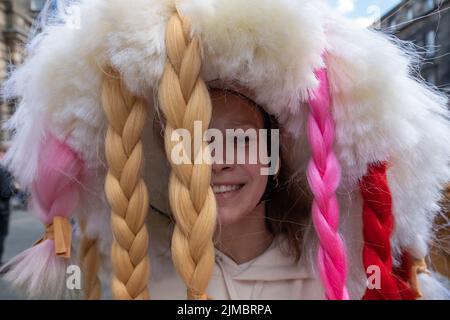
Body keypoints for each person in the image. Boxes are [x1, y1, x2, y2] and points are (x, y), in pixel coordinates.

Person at [0, 0, 449, 300]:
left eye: (241, 137)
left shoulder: (334, 277)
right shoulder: (128, 276)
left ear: (273, 157)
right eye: (191, 140)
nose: (217, 158)